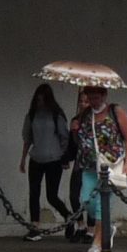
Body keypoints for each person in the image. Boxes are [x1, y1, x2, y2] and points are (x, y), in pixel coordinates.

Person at [70, 84, 127, 252]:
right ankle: (108, 228)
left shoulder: (115, 111)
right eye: (89, 97)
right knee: (87, 200)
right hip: (90, 166)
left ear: (104, 95)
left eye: (95, 97)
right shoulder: (85, 115)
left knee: (101, 205)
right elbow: (81, 140)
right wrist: (75, 129)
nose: (92, 101)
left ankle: (98, 242)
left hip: (110, 166)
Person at [19, 83, 74, 241]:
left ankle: (67, 215)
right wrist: (23, 159)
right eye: (38, 100)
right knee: (34, 192)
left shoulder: (57, 115)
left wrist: (64, 157)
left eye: (43, 100)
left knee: (51, 195)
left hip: (54, 160)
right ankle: (35, 227)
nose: (40, 103)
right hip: (36, 158)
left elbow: (65, 138)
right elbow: (28, 139)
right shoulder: (32, 115)